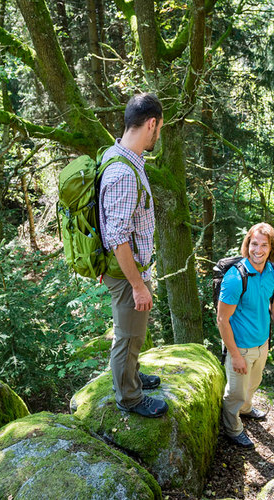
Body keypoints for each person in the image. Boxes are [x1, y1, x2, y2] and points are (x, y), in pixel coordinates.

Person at [99, 93, 167, 418]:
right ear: (151, 124)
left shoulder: (116, 156)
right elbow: (117, 235)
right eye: (159, 129)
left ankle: (132, 375)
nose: (158, 136)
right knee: (129, 336)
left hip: (127, 268)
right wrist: (138, 285)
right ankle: (129, 397)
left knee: (134, 332)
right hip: (129, 272)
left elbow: (108, 219)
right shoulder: (125, 173)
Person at [217, 223, 274, 447]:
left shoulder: (273, 272)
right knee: (235, 393)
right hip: (240, 346)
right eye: (254, 244)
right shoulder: (235, 278)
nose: (258, 250)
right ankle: (233, 428)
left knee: (253, 384)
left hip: (262, 343)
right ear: (247, 245)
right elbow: (222, 319)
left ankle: (245, 410)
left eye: (264, 245)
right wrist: (235, 355)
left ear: (271, 247)